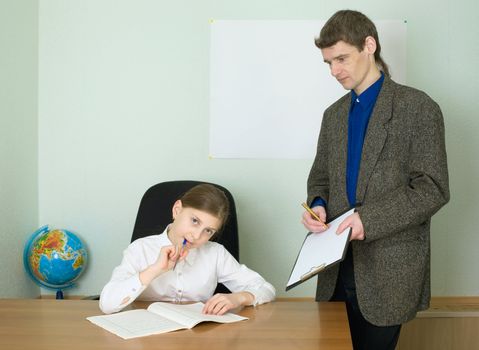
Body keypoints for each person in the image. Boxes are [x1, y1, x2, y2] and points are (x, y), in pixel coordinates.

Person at [301, 10, 449, 350]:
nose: (335, 71)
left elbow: (433, 188)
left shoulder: (418, 107)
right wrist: (317, 206)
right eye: (328, 63)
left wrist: (368, 220)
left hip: (390, 270)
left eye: (342, 58)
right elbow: (319, 178)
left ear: (369, 45)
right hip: (334, 268)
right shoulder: (334, 115)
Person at [100, 184, 275, 315]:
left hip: (197, 338)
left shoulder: (215, 253)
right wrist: (155, 270)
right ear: (177, 210)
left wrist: (238, 297)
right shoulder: (140, 249)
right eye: (195, 221)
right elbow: (107, 304)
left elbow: (266, 288)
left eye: (208, 231)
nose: (197, 236)